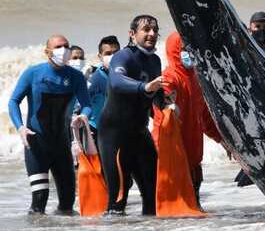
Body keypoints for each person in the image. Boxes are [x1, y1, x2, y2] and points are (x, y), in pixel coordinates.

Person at [7, 35, 92, 214]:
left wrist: (83, 116)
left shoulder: (76, 77)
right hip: (36, 144)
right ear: (47, 52)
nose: (64, 50)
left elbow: (86, 105)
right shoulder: (33, 73)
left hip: (61, 145)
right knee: (39, 201)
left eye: (67, 46)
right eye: (59, 46)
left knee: (68, 203)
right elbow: (13, 101)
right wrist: (20, 128)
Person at [97, 15, 165, 215]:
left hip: (140, 133)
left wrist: (165, 101)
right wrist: (145, 86)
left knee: (152, 196)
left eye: (155, 30)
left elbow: (156, 95)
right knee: (118, 200)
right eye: (146, 29)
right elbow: (117, 82)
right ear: (132, 34)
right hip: (114, 135)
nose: (151, 34)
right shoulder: (123, 56)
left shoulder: (155, 60)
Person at [152, 31, 223, 208]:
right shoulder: (169, 78)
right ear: (174, 50)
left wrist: (222, 140)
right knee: (173, 211)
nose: (189, 52)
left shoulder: (196, 79)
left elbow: (205, 117)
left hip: (192, 160)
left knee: (193, 211)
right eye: (184, 49)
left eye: (191, 48)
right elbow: (161, 109)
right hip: (173, 158)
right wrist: (168, 106)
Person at [85, 35, 121, 145]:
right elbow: (81, 104)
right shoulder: (95, 79)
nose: (113, 56)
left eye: (116, 52)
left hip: (120, 130)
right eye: (108, 54)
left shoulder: (125, 74)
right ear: (100, 56)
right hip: (97, 131)